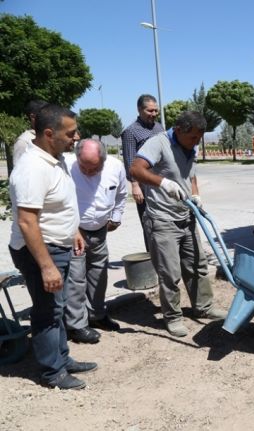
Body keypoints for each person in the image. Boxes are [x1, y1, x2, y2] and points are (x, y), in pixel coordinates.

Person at [8, 104, 96, 390]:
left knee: (56, 309)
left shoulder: (53, 158)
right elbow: (27, 222)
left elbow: (58, 205)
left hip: (58, 244)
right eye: (70, 133)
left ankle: (62, 358)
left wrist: (74, 231)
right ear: (49, 133)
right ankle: (52, 372)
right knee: (47, 312)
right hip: (40, 251)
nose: (76, 137)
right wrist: (46, 266)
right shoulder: (32, 167)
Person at [130, 111, 225, 338]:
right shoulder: (158, 143)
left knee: (197, 266)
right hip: (162, 219)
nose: (196, 142)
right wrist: (162, 182)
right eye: (193, 137)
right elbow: (135, 169)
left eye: (199, 138)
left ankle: (203, 306)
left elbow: (191, 176)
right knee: (170, 274)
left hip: (187, 216)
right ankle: (172, 317)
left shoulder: (191, 146)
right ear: (179, 130)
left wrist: (196, 195)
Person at [63, 139, 127, 344]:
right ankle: (76, 325)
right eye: (84, 168)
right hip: (74, 231)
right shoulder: (66, 165)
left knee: (99, 274)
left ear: (104, 160)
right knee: (76, 278)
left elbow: (121, 194)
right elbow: (58, 202)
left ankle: (97, 315)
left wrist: (116, 217)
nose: (89, 172)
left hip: (100, 230)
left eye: (95, 168)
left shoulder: (115, 166)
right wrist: (73, 229)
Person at [120, 94, 164, 251]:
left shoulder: (159, 128)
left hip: (161, 183)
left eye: (155, 111)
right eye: (149, 110)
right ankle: (153, 257)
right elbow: (130, 161)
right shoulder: (131, 132)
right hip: (145, 186)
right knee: (149, 223)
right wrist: (135, 185)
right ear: (139, 110)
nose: (153, 114)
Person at [13, 99, 49, 164]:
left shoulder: (49, 136)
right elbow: (19, 170)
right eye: (45, 114)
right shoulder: (23, 142)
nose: (49, 118)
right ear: (32, 117)